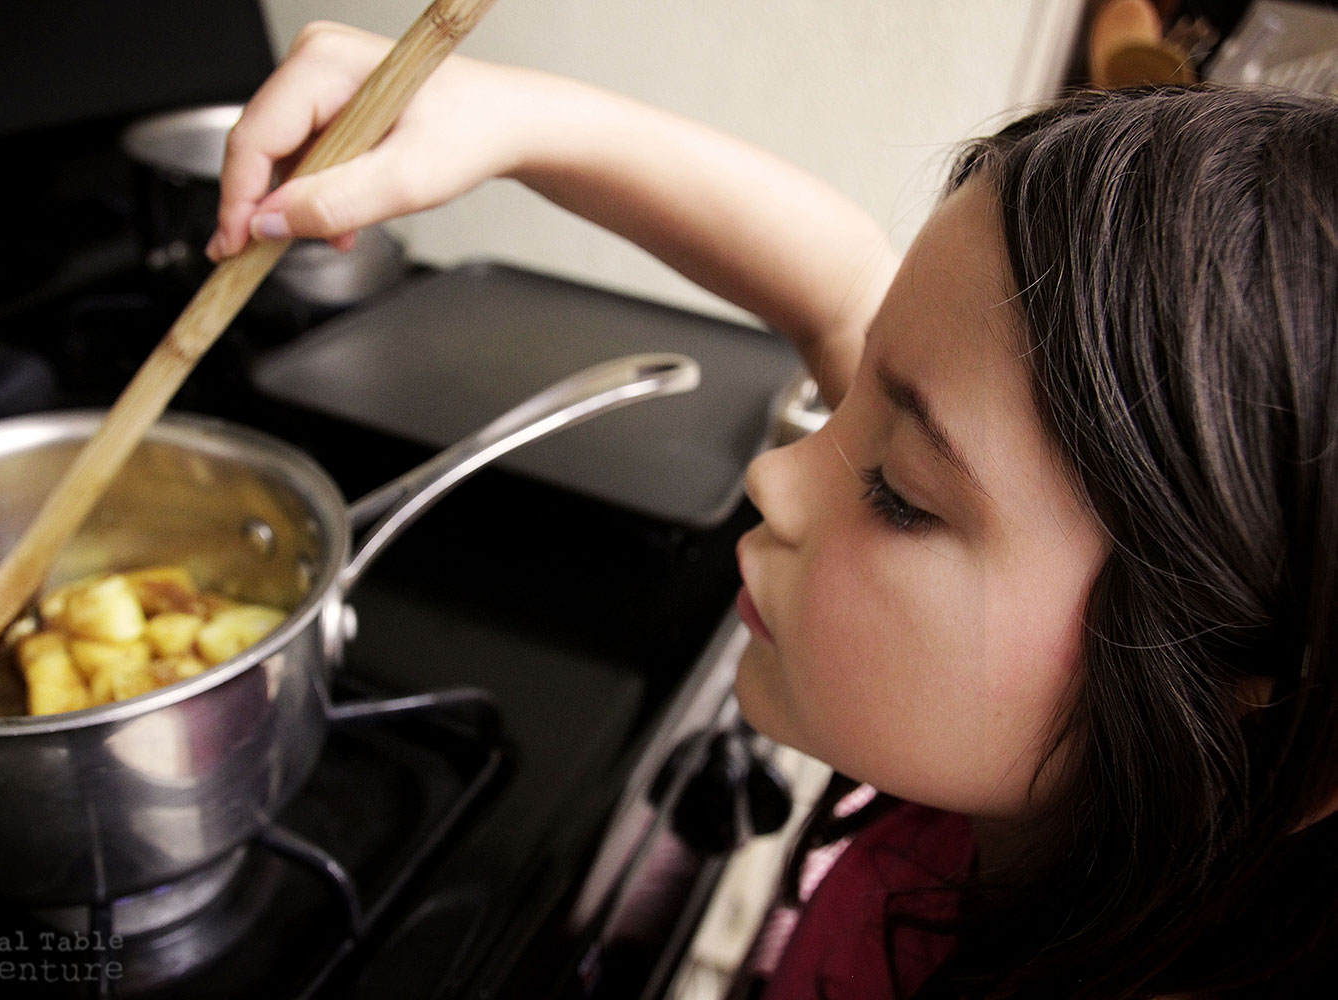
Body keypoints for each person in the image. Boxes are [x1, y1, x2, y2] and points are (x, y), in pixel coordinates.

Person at [207, 22, 1338, 1000]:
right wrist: (508, 118)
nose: (777, 476)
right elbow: (840, 279)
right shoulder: (1038, 798)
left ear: (1237, 678)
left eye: (899, 493)